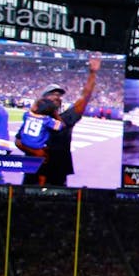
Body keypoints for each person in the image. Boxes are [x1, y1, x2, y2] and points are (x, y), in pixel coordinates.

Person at [24, 56, 99, 187]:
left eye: (59, 95)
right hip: (33, 172)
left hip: (58, 174)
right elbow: (18, 141)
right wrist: (36, 152)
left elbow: (85, 97)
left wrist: (92, 73)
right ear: (43, 99)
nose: (57, 97)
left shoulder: (67, 118)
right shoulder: (32, 118)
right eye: (52, 94)